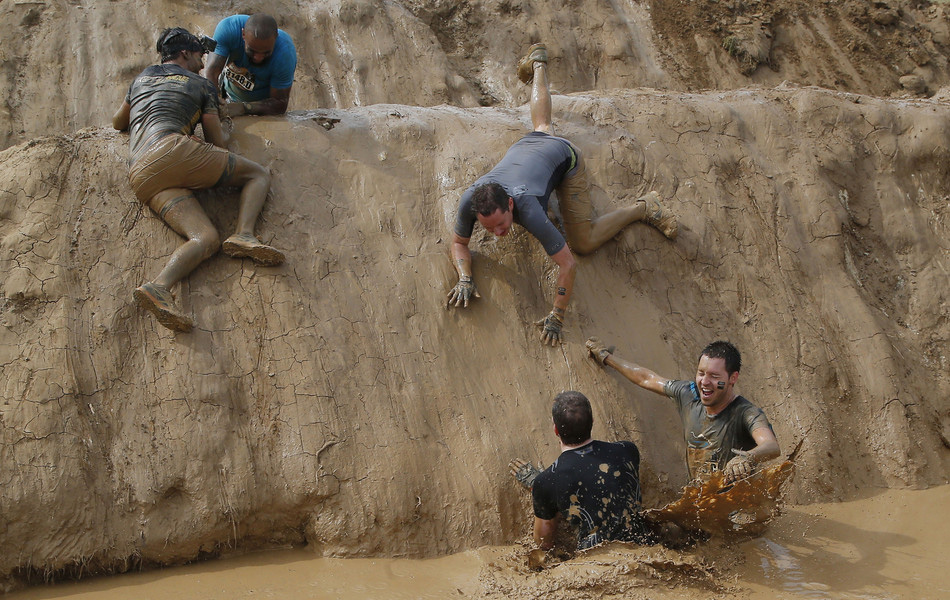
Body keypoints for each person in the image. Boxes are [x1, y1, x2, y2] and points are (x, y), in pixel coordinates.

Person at [447, 43, 678, 346]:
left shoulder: (529, 212)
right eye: (489, 228)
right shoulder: (471, 200)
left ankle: (645, 206)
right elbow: (458, 244)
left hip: (565, 159)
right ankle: (539, 65)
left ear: (511, 204)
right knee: (543, 126)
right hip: (529, 146)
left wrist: (558, 315)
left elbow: (568, 264)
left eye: (502, 224)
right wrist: (465, 276)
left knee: (583, 242)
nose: (498, 233)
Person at [113, 27, 285, 333]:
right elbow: (217, 141)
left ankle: (159, 286)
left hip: (142, 173)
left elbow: (118, 122)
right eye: (198, 56)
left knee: (205, 239)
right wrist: (228, 131)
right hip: (173, 151)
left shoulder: (142, 78)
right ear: (185, 54)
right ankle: (244, 234)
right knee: (257, 173)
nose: (202, 63)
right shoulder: (200, 84)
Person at [585, 338, 780, 483]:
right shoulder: (688, 394)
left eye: (714, 376)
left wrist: (747, 457)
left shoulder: (745, 412)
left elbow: (771, 446)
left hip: (734, 508)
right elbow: (646, 378)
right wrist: (606, 357)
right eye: (701, 373)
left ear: (733, 378)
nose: (704, 382)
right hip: (698, 500)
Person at [509, 391, 647, 550]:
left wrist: (540, 487)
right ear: (592, 421)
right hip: (644, 545)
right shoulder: (628, 450)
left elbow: (544, 542)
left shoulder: (548, 480)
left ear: (555, 430)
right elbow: (606, 484)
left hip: (596, 560)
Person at [204, 14, 297, 117]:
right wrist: (217, 102)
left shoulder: (285, 53)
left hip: (262, 109)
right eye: (252, 51)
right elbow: (211, 73)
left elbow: (280, 104)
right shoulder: (229, 29)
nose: (258, 58)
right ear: (243, 34)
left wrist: (244, 108)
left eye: (266, 53)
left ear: (276, 38)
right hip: (228, 93)